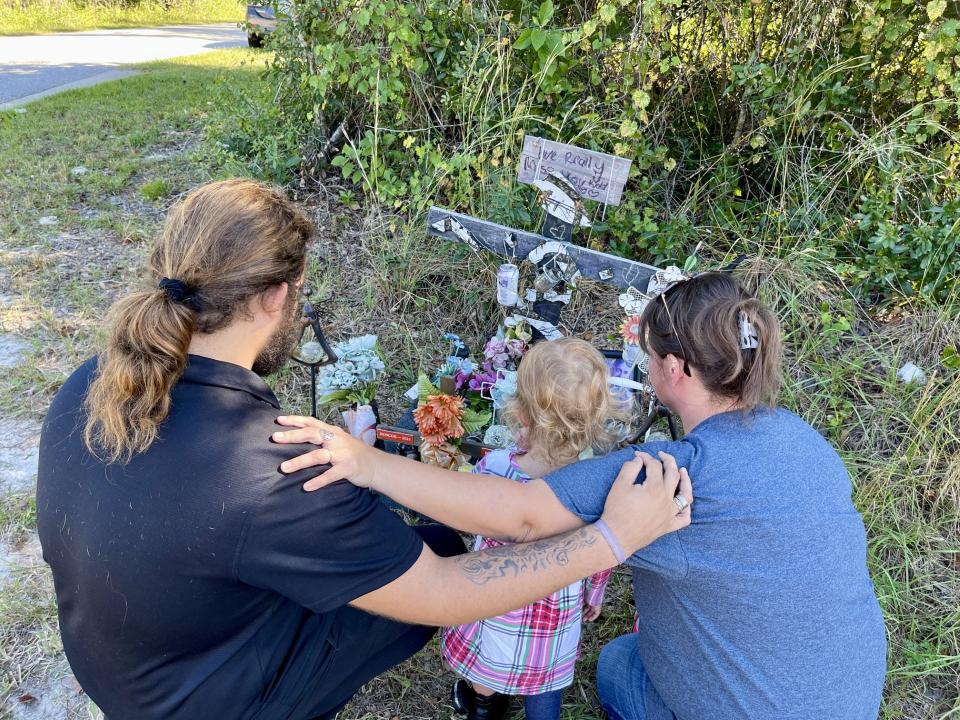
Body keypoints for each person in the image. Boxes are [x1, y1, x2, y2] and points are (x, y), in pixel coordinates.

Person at [35, 179, 692, 720]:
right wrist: (611, 538)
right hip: (204, 702)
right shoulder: (268, 475)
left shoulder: (95, 381)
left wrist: (366, 465)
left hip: (121, 663)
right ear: (276, 298)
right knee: (437, 547)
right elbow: (443, 593)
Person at [275, 271, 887, 720]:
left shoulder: (669, 475)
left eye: (647, 358)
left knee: (621, 666)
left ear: (674, 369)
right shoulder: (806, 442)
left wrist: (367, 463)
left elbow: (520, 514)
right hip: (850, 697)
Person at [444, 338, 622, 720]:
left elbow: (466, 510)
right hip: (554, 610)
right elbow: (603, 548)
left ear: (521, 414)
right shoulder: (597, 485)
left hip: (496, 597)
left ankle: (484, 707)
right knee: (546, 679)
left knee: (489, 661)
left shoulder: (494, 468)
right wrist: (594, 593)